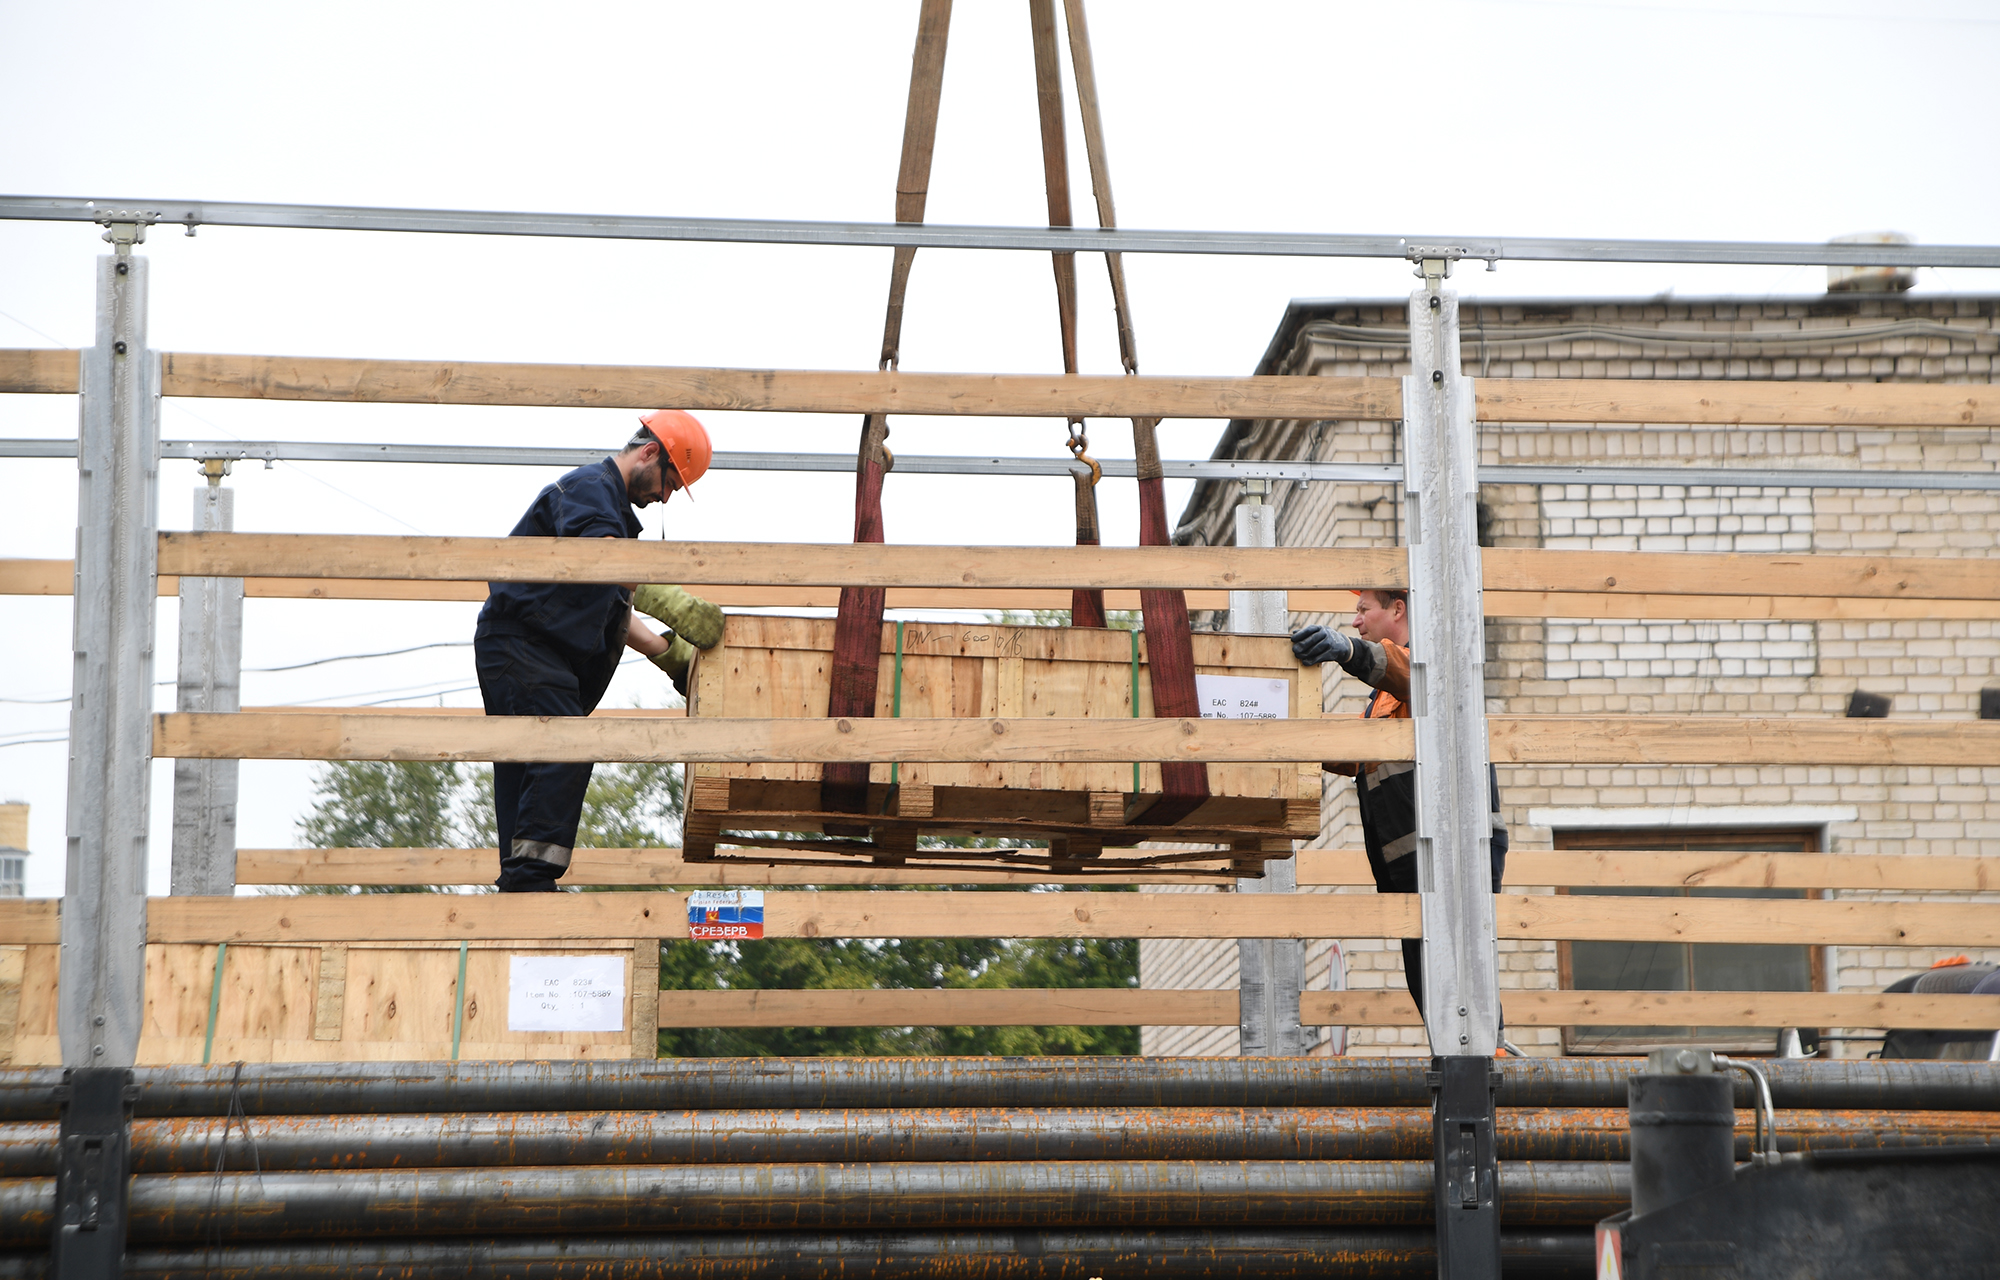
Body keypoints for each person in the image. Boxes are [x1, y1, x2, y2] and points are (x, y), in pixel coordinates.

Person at [474, 409, 723, 892]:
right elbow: (606, 562)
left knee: (529, 766)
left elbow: (611, 603)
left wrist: (667, 654)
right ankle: (530, 880)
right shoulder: (591, 490)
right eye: (669, 483)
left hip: (535, 653)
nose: (664, 495)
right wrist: (671, 600)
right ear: (650, 453)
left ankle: (519, 879)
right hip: (523, 646)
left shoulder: (611, 515)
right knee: (568, 747)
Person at [1291, 589, 1508, 1021]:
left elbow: (1414, 674)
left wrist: (1347, 651)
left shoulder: (1434, 664)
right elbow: (1357, 753)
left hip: (1452, 853)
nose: (1355, 622)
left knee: (1461, 981)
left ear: (1397, 609)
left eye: (1362, 610)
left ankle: (1486, 1070)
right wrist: (1288, 739)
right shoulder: (1387, 698)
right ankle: (1460, 1070)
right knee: (1430, 985)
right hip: (1411, 861)